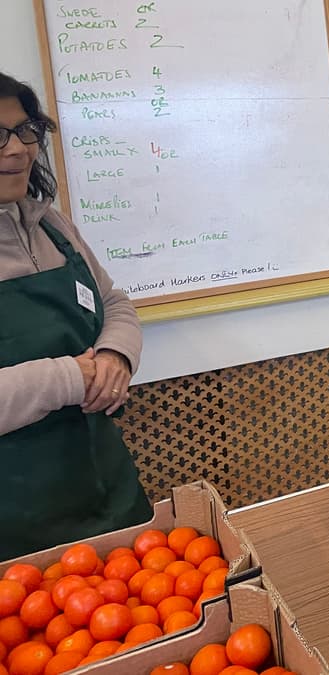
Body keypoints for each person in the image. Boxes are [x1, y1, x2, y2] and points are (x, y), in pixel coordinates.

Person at [0, 72, 152, 559]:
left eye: (26, 130)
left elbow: (114, 303)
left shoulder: (52, 225)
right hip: (15, 529)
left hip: (106, 489)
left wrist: (115, 356)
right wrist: (69, 378)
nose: (18, 148)